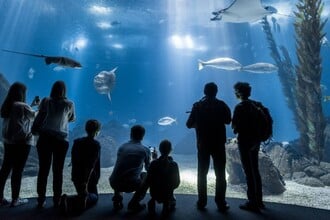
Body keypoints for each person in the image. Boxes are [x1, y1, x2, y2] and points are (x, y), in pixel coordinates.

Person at [186, 82, 231, 212]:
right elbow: (228, 120)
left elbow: (188, 124)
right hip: (218, 144)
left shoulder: (197, 105)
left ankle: (202, 201)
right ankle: (221, 202)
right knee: (220, 174)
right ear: (216, 92)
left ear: (204, 92)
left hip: (203, 144)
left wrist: (198, 124)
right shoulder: (222, 105)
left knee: (202, 174)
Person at [35, 80, 75, 208]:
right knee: (58, 171)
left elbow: (40, 115)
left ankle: (41, 199)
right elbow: (72, 118)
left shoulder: (45, 101)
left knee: (43, 170)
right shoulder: (69, 103)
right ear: (64, 90)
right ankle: (57, 198)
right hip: (61, 140)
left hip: (45, 138)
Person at [0, 82, 39, 207]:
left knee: (5, 169)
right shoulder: (22, 105)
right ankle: (15, 199)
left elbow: (21, 116)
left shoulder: (7, 105)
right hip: (22, 142)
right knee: (18, 170)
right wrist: (40, 107)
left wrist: (31, 105)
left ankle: (0, 197)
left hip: (8, 142)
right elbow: (34, 116)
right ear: (22, 93)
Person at [231, 82, 265, 212]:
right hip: (256, 141)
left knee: (248, 172)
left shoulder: (240, 107)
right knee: (255, 170)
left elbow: (234, 127)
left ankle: (252, 202)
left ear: (239, 93)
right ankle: (259, 201)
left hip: (244, 141)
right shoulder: (256, 105)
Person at [60, 119, 101, 215]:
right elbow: (90, 165)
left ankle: (76, 199)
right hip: (89, 179)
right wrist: (85, 182)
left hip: (76, 176)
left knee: (83, 196)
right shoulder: (95, 144)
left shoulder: (77, 142)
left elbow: (74, 159)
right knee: (94, 197)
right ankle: (69, 200)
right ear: (97, 131)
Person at [109, 125, 154, 212]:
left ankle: (118, 196)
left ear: (130, 134)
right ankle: (134, 203)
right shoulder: (145, 150)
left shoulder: (122, 147)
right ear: (142, 136)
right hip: (130, 185)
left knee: (120, 171)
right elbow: (149, 169)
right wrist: (153, 159)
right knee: (146, 175)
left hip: (113, 182)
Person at [146, 139, 180, 216]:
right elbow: (177, 182)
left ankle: (152, 201)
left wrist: (154, 159)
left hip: (154, 192)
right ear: (171, 150)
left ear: (159, 149)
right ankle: (166, 205)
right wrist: (171, 188)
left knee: (153, 197)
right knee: (168, 200)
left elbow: (149, 178)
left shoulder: (154, 163)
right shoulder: (174, 165)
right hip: (167, 192)